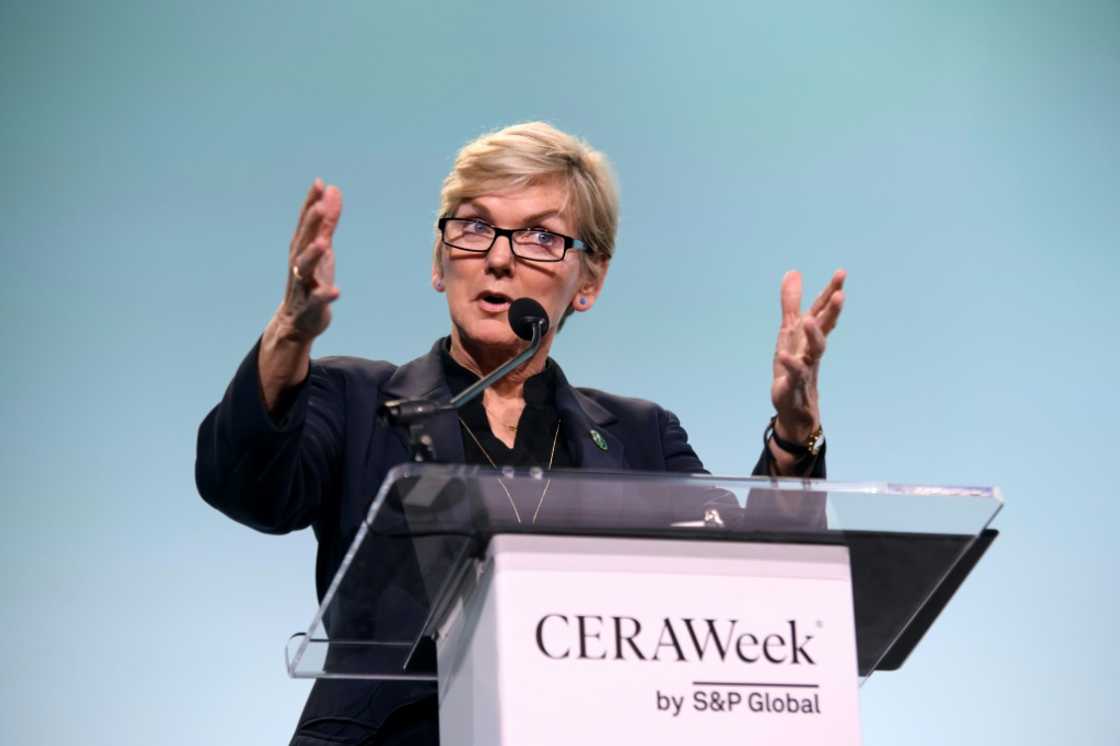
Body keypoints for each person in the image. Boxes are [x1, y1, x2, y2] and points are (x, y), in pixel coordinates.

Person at [195, 122, 845, 745]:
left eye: (539, 237)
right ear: (438, 260)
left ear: (589, 280)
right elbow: (244, 487)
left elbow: (754, 587)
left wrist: (794, 435)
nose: (499, 259)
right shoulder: (360, 402)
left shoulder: (644, 437)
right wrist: (287, 334)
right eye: (474, 227)